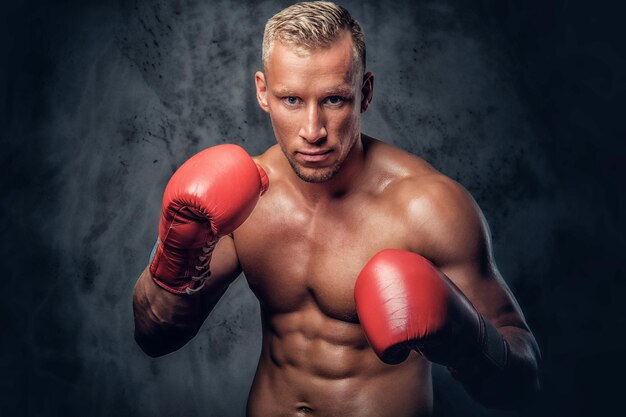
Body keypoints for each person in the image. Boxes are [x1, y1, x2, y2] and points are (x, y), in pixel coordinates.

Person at [132, 2, 540, 416]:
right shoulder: (243, 198)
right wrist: (175, 255)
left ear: (364, 93)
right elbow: (155, 336)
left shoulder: (427, 206)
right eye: (291, 99)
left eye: (333, 99)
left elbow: (521, 383)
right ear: (262, 92)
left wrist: (465, 341)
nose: (313, 131)